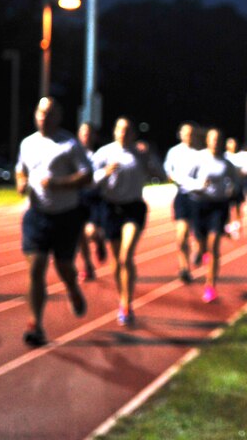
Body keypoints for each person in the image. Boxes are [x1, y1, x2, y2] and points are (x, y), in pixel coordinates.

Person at [15, 97, 91, 347]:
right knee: (36, 268)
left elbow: (86, 176)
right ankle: (34, 324)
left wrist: (58, 184)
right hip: (36, 215)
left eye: (48, 113)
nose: (43, 116)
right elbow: (21, 168)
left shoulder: (69, 144)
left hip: (66, 216)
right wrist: (21, 182)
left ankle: (72, 288)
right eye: (40, 111)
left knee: (64, 267)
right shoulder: (27, 143)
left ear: (58, 117)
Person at [91, 116, 160, 327]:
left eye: (127, 130)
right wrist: (105, 172)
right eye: (120, 129)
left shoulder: (139, 153)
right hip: (110, 208)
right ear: (114, 131)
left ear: (133, 133)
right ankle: (122, 296)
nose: (123, 133)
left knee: (126, 255)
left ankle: (126, 304)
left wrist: (150, 157)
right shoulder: (104, 153)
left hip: (133, 208)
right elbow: (90, 180)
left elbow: (159, 172)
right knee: (116, 261)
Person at [189, 127, 237, 303]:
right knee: (202, 245)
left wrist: (232, 190)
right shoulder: (199, 158)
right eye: (213, 139)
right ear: (207, 140)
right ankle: (199, 250)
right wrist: (198, 185)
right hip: (200, 204)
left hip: (219, 206)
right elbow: (186, 179)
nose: (216, 142)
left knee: (214, 246)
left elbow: (235, 183)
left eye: (219, 139)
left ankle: (210, 286)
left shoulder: (226, 163)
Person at [164, 122, 200, 283]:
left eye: (191, 133)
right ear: (181, 134)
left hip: (198, 197)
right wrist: (175, 178)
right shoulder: (174, 152)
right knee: (182, 235)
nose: (188, 135)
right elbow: (167, 171)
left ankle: (198, 251)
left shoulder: (200, 153)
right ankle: (184, 268)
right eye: (186, 132)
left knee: (198, 234)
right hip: (182, 196)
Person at [76, 121, 107, 281]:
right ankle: (88, 265)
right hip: (79, 198)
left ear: (94, 136)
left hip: (95, 198)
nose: (85, 135)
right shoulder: (74, 153)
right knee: (81, 235)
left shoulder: (100, 154)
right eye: (83, 132)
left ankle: (100, 239)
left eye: (89, 133)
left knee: (91, 232)